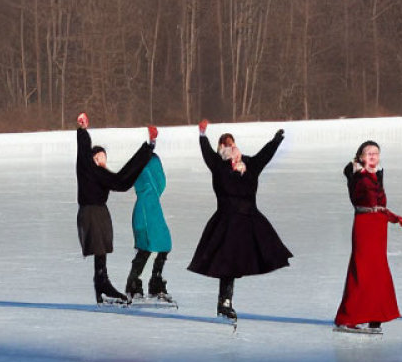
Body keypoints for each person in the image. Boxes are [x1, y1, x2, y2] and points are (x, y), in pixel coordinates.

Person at [188, 120, 292, 322]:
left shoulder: (250, 165)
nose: (230, 146)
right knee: (227, 264)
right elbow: (207, 153)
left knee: (260, 255)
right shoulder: (218, 166)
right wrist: (202, 135)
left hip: (249, 220)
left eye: (232, 143)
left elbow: (265, 155)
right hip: (226, 222)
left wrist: (276, 140)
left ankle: (226, 303)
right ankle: (224, 303)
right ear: (221, 149)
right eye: (225, 144)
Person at [75, 112, 157, 305]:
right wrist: (82, 130)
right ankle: (102, 285)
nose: (103, 157)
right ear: (92, 157)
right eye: (100, 154)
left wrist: (149, 147)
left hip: (100, 212)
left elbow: (123, 179)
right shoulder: (86, 167)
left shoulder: (104, 175)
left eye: (105, 155)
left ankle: (102, 285)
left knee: (101, 250)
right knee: (98, 248)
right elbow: (82, 150)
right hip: (90, 211)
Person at [334, 141, 402, 333]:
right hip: (365, 227)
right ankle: (347, 318)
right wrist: (355, 170)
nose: (373, 156)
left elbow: (379, 204)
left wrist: (393, 217)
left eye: (376, 153)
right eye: (369, 153)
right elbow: (362, 198)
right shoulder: (359, 177)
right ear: (361, 157)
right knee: (362, 272)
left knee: (378, 273)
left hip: (378, 228)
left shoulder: (376, 175)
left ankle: (375, 315)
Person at [124, 151, 173, 302]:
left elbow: (161, 182)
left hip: (153, 208)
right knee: (145, 247)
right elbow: (159, 181)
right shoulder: (144, 167)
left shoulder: (149, 166)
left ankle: (154, 282)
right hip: (145, 210)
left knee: (163, 244)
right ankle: (134, 284)